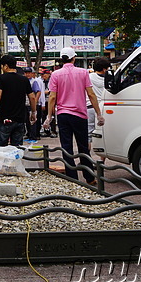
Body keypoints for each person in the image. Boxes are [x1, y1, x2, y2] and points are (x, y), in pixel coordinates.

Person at [43, 47, 105, 184]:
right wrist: (99, 114)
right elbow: (91, 94)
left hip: (63, 114)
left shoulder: (56, 74)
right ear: (74, 58)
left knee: (67, 146)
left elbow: (52, 97)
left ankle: (72, 178)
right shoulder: (83, 73)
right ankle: (89, 177)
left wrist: (49, 116)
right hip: (80, 115)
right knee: (83, 147)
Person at [0, 55, 33, 147]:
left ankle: (2, 162)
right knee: (17, 147)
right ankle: (16, 161)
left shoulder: (1, 78)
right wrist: (34, 112)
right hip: (20, 118)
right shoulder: (24, 79)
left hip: (5, 118)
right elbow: (32, 97)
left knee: (1, 147)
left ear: (5, 66)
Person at [88, 57, 110, 146]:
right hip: (103, 108)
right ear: (104, 69)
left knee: (88, 135)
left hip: (89, 107)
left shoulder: (89, 77)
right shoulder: (109, 79)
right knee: (104, 134)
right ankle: (102, 160)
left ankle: (87, 157)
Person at [24, 68, 42, 141]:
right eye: (26, 73)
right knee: (27, 121)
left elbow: (38, 92)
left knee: (33, 120)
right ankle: (28, 134)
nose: (27, 74)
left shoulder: (33, 82)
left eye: (29, 73)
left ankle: (33, 136)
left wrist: (35, 101)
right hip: (25, 104)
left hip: (31, 104)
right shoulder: (24, 81)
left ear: (32, 73)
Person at [38, 69, 56, 138]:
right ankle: (46, 131)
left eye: (44, 74)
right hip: (43, 101)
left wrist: (48, 92)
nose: (42, 76)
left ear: (48, 74)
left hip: (50, 100)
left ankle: (53, 131)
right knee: (44, 116)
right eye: (41, 75)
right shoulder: (40, 81)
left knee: (52, 116)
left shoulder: (52, 80)